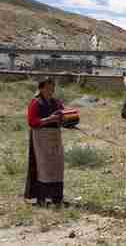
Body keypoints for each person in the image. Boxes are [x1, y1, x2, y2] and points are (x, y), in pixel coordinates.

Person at [24, 77, 66, 207]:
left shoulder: (56, 102)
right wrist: (50, 119)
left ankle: (56, 198)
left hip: (55, 137)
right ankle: (41, 199)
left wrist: (64, 119)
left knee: (57, 167)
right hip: (40, 138)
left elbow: (63, 116)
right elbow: (32, 122)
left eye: (53, 88)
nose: (51, 90)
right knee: (43, 167)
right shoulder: (36, 103)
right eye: (48, 88)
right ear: (41, 88)